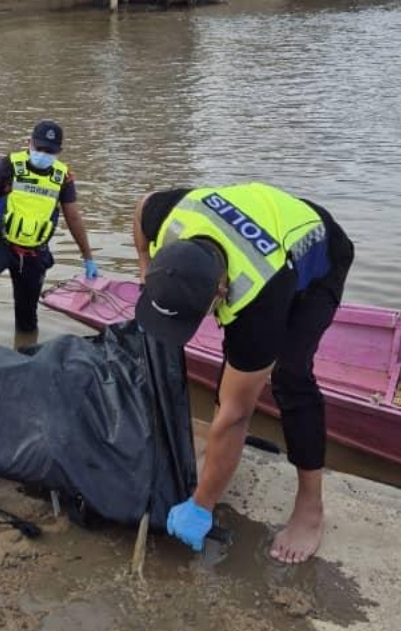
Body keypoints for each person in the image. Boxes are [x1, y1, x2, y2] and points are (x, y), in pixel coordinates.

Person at [133, 182, 353, 563]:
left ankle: (310, 507)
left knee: (290, 375)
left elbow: (237, 415)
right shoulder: (170, 216)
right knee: (236, 377)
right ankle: (219, 465)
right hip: (273, 222)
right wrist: (145, 265)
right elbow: (142, 206)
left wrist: (202, 505)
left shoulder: (258, 297)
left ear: (221, 292)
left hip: (320, 251)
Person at [0, 120, 98, 340]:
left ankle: (25, 350)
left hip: (34, 252)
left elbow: (73, 217)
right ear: (29, 143)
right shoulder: (8, 166)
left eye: (50, 151)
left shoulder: (63, 177)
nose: (43, 154)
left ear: (59, 151)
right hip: (1, 242)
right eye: (39, 148)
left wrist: (88, 257)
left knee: (27, 321)